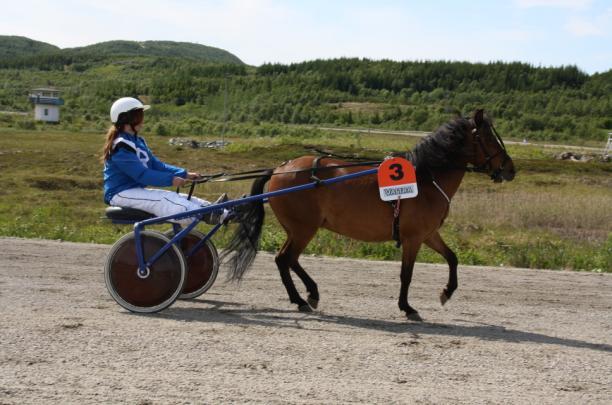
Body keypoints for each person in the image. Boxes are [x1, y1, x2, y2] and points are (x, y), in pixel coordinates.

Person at [102, 97, 228, 225]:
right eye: (138, 116)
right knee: (167, 199)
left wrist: (184, 174)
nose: (142, 120)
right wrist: (171, 180)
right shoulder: (120, 146)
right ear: (127, 119)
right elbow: (141, 175)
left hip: (134, 190)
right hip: (120, 194)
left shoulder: (137, 142)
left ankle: (219, 210)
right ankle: (208, 214)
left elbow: (156, 165)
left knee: (181, 198)